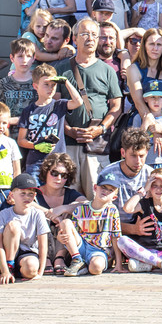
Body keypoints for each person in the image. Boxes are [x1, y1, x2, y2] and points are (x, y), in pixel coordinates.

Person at [56, 19, 123, 197]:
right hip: (68, 144)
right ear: (74, 39)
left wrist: (101, 129)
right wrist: (68, 130)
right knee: (68, 196)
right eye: (85, 34)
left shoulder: (107, 70)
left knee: (97, 196)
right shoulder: (61, 69)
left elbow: (116, 106)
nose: (91, 39)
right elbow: (53, 106)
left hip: (96, 145)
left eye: (94, 35)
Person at [17, 64, 81, 176]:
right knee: (34, 187)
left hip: (57, 161)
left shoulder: (59, 105)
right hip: (35, 162)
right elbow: (21, 140)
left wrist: (66, 82)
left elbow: (78, 102)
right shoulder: (28, 110)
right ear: (35, 86)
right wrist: (35, 145)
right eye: (46, 84)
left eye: (53, 84)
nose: (50, 88)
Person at [59, 169, 124, 277]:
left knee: (96, 268)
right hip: (81, 247)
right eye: (103, 187)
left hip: (99, 250)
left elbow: (115, 236)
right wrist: (61, 237)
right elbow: (72, 233)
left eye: (110, 190)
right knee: (65, 222)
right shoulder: (80, 209)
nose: (105, 191)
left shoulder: (112, 211)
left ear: (114, 197)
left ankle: (84, 266)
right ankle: (77, 260)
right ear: (95, 188)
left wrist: (118, 264)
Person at [34, 151, 84, 274]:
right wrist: (49, 213)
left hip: (63, 245)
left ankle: (60, 257)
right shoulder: (35, 193)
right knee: (37, 215)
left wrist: (64, 208)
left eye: (64, 175)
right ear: (46, 172)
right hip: (37, 245)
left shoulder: (70, 194)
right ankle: (44, 258)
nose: (59, 178)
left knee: (69, 216)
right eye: (54, 173)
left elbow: (87, 205)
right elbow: (24, 203)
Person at [0, 172, 48, 284]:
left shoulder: (38, 214)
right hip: (9, 252)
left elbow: (43, 245)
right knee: (13, 225)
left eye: (30, 194)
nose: (27, 197)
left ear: (35, 196)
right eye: (22, 193)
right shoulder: (3, 214)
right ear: (12, 195)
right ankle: (9, 267)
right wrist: (4, 271)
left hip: (28, 253)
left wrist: (40, 272)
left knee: (31, 269)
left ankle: (19, 270)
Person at [130, 81, 162, 183]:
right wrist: (145, 123)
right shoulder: (138, 118)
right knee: (146, 190)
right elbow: (135, 144)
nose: (156, 101)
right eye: (152, 97)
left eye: (160, 97)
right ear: (145, 99)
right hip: (146, 163)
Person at [0, 38, 38, 142]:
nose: (24, 60)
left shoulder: (39, 84)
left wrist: (16, 120)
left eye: (28, 56)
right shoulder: (3, 84)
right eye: (20, 56)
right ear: (12, 58)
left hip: (33, 137)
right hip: (7, 137)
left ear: (34, 58)